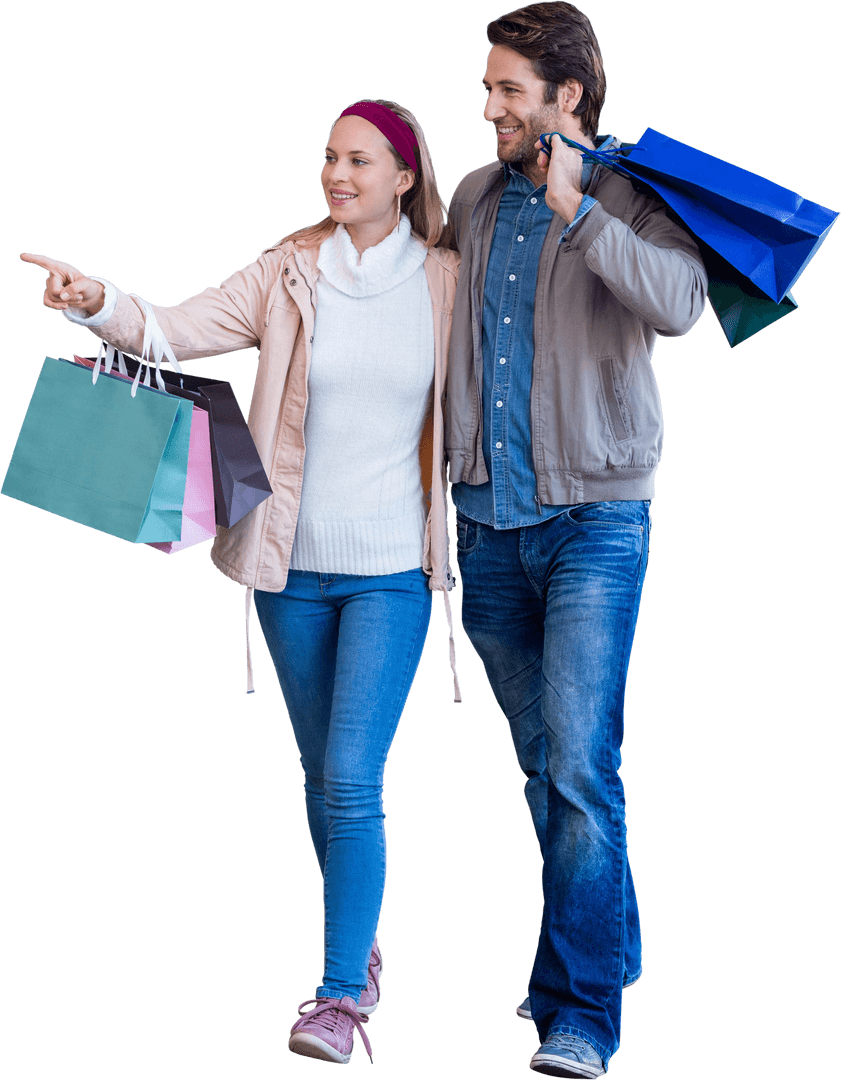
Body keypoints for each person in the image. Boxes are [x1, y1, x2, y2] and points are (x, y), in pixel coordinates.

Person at [20, 97, 460, 1067]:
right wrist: (97, 298)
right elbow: (174, 328)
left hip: (390, 571)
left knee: (352, 776)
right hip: (288, 568)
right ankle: (362, 944)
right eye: (328, 159)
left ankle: (340, 996)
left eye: (357, 161)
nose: (335, 175)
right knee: (320, 779)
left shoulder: (445, 283)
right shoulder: (287, 269)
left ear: (404, 176)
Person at [441, 4, 707, 1077]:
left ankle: (580, 1015)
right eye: (488, 88)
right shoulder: (469, 197)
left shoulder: (635, 196)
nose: (491, 106)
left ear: (570, 99)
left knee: (583, 774)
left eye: (509, 89)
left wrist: (578, 213)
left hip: (597, 519)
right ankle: (613, 938)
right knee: (544, 762)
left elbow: (681, 305)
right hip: (485, 522)